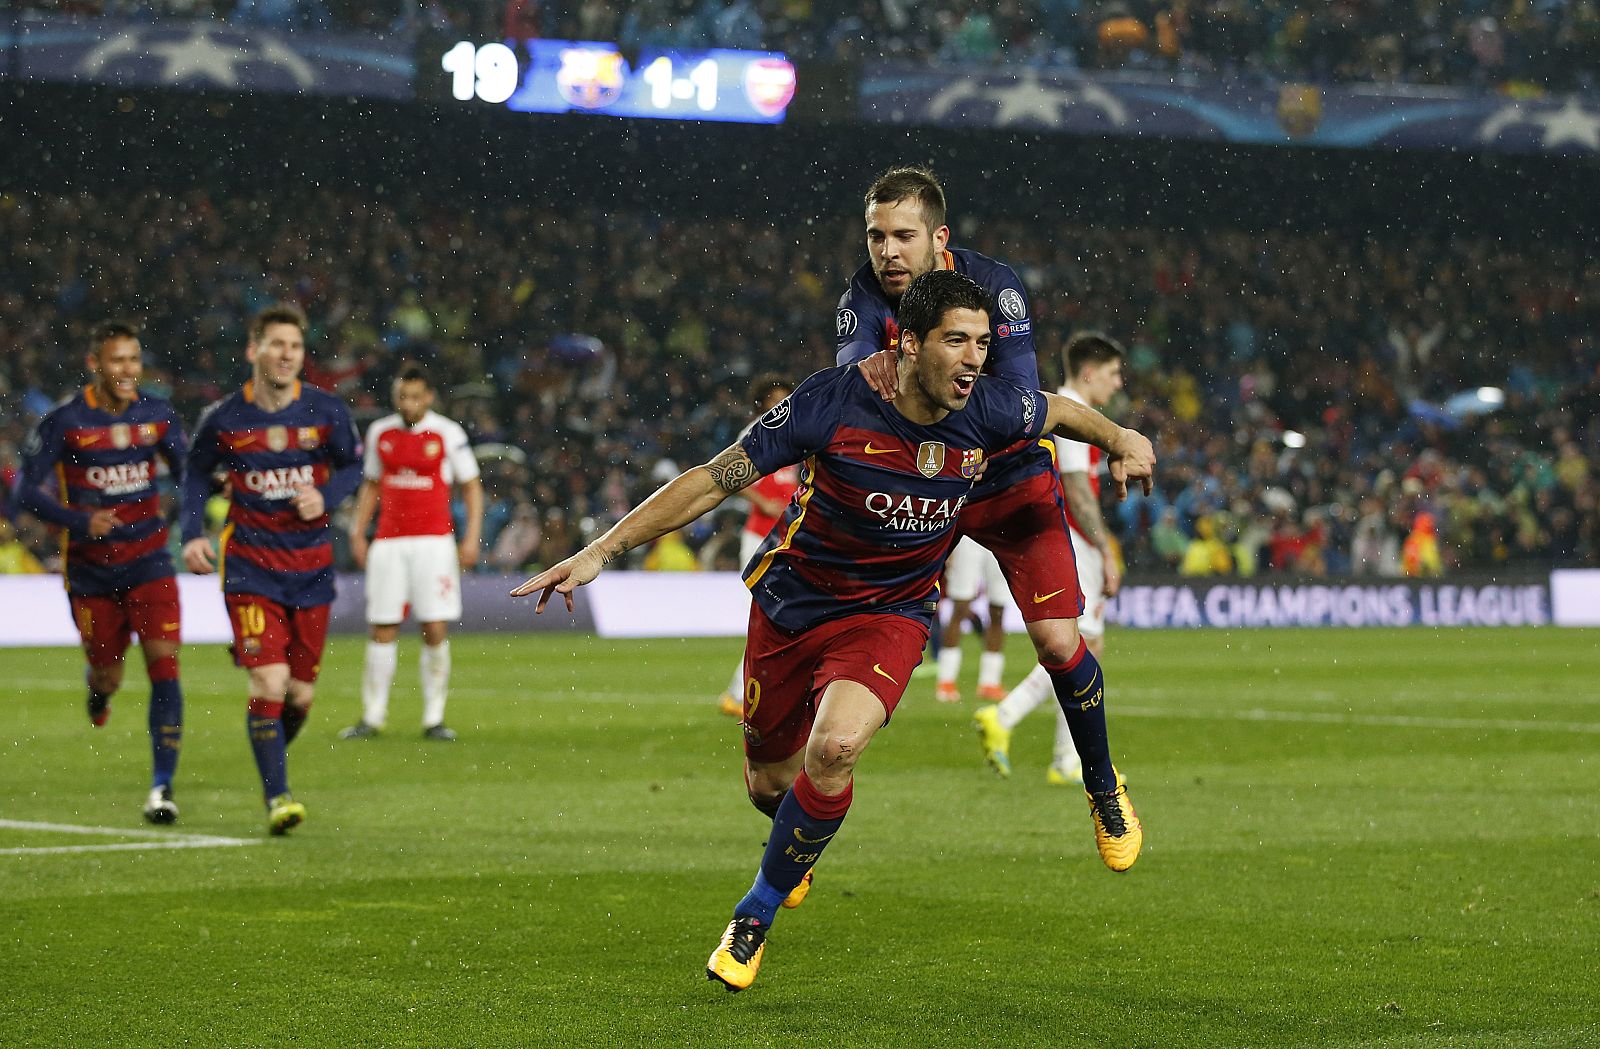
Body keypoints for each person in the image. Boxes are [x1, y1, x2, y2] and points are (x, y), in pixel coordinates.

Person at [512, 272, 1155, 992]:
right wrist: (601, 548)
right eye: (955, 341)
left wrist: (1123, 435)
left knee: (838, 745)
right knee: (769, 785)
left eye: (981, 342)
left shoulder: (989, 407)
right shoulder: (831, 401)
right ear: (909, 344)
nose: (974, 359)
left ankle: (753, 916)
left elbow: (1063, 413)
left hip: (891, 612)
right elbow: (714, 477)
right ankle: (794, 846)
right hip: (794, 605)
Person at [838, 168, 1133, 812]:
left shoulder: (995, 287)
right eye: (875, 236)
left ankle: (1103, 784)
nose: (887, 252)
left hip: (1007, 477)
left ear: (938, 238)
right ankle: (794, 831)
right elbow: (855, 380)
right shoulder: (863, 293)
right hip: (922, 488)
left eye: (903, 237)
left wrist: (922, 399)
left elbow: (1022, 399)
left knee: (1059, 640)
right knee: (851, 640)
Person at [180, 304, 362, 835]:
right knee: (269, 679)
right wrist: (192, 533)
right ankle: (278, 796)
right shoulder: (225, 418)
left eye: (295, 348)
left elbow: (353, 465)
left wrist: (324, 495)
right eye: (276, 345)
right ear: (253, 350)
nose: (286, 356)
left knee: (301, 695)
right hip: (249, 568)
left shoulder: (325, 412)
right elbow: (195, 473)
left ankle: (269, 755)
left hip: (311, 570)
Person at [14, 320, 189, 824]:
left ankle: (162, 787)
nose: (129, 370)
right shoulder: (65, 422)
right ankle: (99, 691)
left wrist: (198, 511)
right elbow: (25, 492)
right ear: (95, 365)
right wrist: (79, 521)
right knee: (109, 674)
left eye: (134, 359)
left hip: (152, 562)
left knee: (165, 668)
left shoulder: (157, 415)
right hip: (92, 574)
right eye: (118, 360)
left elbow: (187, 475)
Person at [974, 331, 1126, 784]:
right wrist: (1105, 548)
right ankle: (1006, 715)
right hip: (1072, 542)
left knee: (1082, 651)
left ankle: (1066, 758)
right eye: (1114, 374)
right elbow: (1077, 489)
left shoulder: (1054, 404)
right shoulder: (1071, 414)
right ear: (1089, 373)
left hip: (1063, 537)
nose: (1118, 384)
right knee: (1079, 653)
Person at [340, 362, 483, 742]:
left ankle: (434, 718)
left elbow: (471, 486)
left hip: (434, 542)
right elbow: (371, 485)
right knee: (382, 626)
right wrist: (358, 532)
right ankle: (373, 717)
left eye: (415, 396)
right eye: (402, 396)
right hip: (388, 541)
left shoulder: (447, 433)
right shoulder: (380, 432)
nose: (408, 403)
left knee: (434, 627)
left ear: (429, 397)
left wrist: (470, 538)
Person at [716, 375, 798, 718]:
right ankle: (740, 691)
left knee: (780, 614)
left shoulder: (799, 430)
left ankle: (752, 691)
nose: (779, 405)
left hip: (791, 532)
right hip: (758, 534)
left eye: (785, 398)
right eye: (773, 399)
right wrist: (762, 502)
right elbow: (729, 473)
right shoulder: (753, 432)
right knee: (768, 613)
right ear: (761, 402)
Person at [932, 537, 1012, 702]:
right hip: (969, 538)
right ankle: (946, 681)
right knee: (960, 607)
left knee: (998, 611)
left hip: (1001, 535)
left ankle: (990, 682)